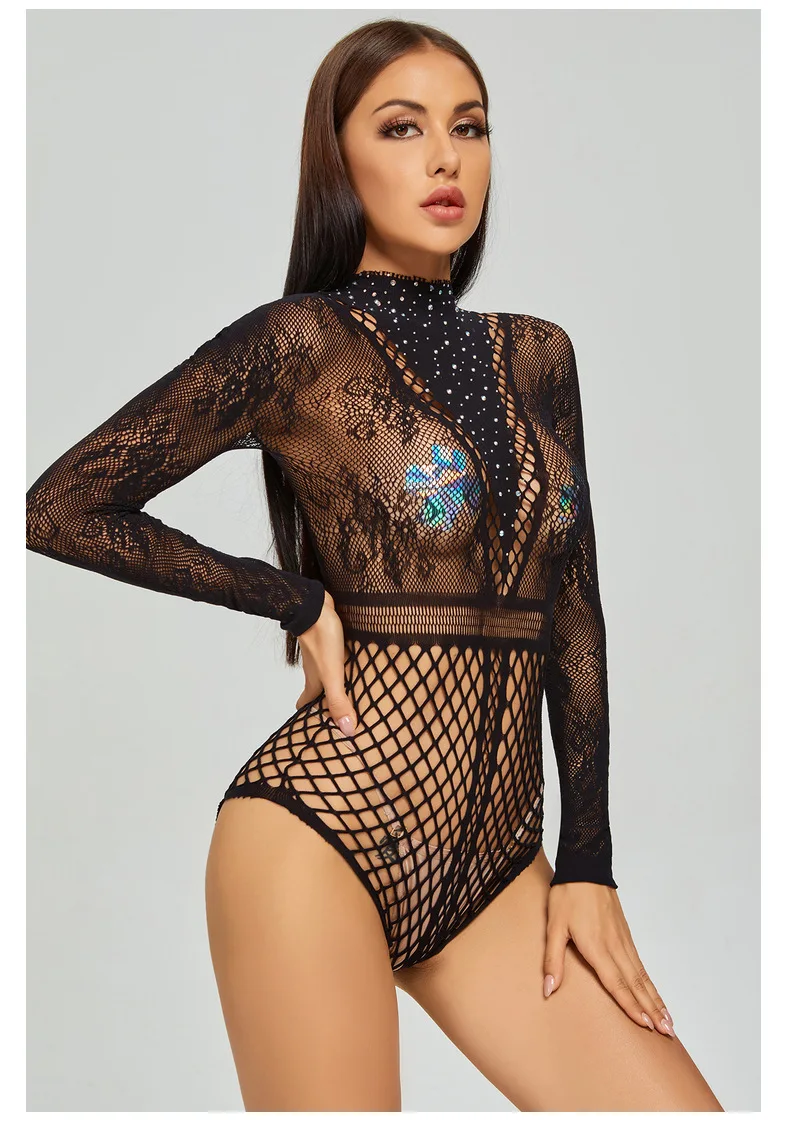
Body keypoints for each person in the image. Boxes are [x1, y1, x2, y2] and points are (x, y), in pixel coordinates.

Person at [25, 17, 724, 1114]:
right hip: (321, 833)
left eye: (469, 127)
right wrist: (290, 596)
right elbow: (63, 505)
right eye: (402, 128)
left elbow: (574, 607)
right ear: (338, 159)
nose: (445, 157)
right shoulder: (300, 343)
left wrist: (588, 860)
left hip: (498, 868)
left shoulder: (539, 354)